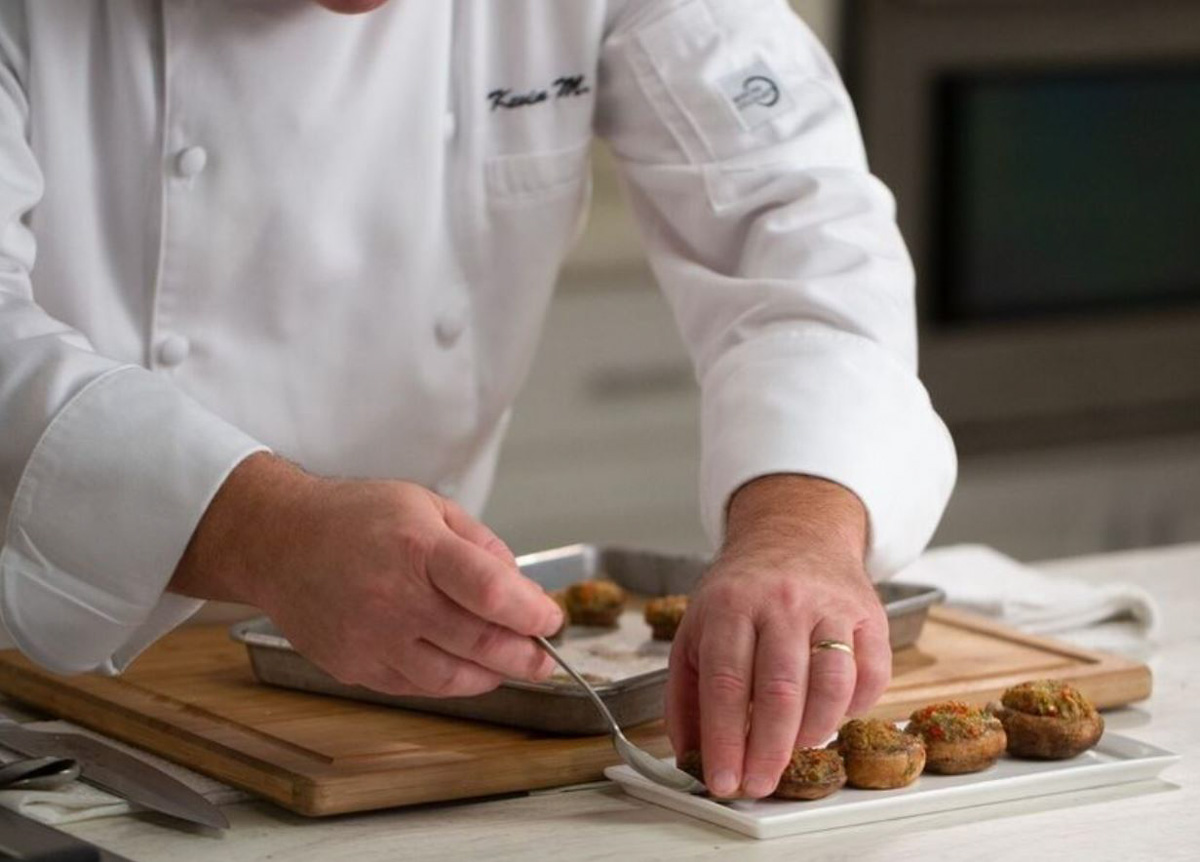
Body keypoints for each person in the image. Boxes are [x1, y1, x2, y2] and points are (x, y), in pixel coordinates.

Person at [0, 0, 955, 801]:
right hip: (40, 682)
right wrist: (260, 528)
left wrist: (799, 525)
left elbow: (793, 213)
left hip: (406, 698)